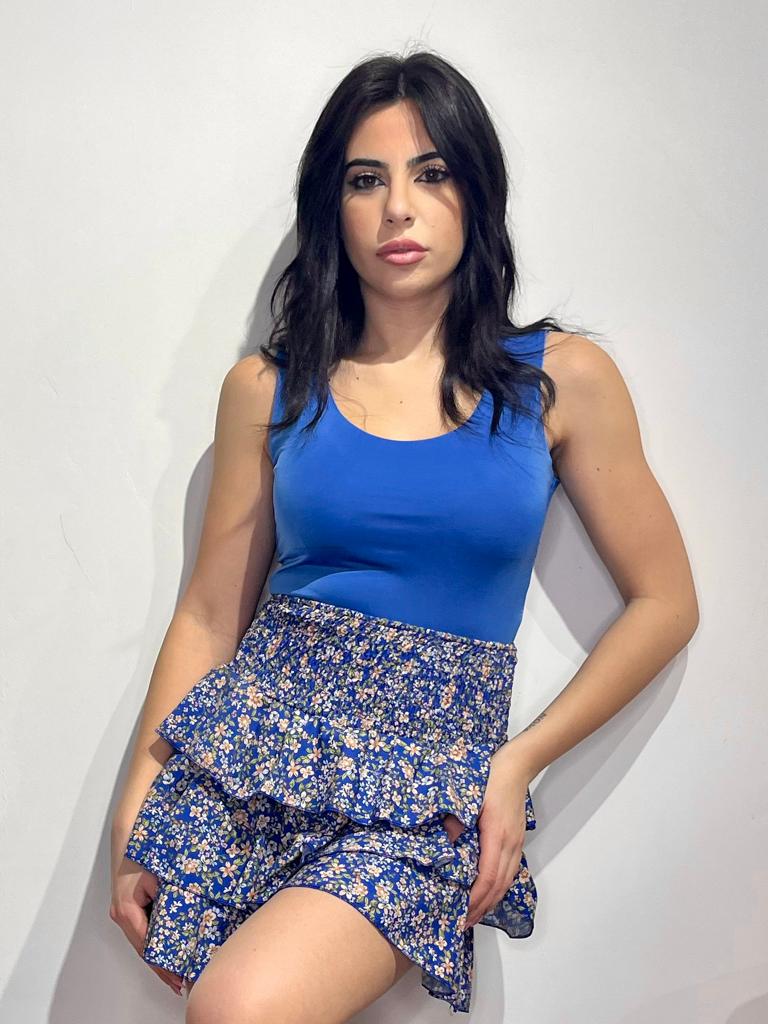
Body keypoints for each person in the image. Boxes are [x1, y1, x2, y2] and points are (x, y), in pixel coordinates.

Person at [109, 49, 699, 1021]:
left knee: (238, 1007)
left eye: (432, 173)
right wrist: (138, 807)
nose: (397, 209)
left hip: (431, 786)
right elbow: (209, 617)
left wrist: (517, 762)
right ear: (330, 206)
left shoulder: (559, 380)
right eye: (365, 180)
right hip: (252, 754)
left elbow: (667, 602)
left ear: (477, 193)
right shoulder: (268, 388)